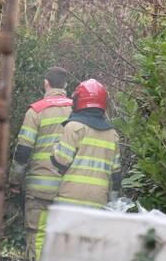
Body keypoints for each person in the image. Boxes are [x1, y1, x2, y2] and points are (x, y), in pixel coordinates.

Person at [9, 66, 72, 261]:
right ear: (66, 85)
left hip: (39, 189)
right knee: (63, 239)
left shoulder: (36, 111)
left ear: (46, 83)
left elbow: (23, 151)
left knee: (37, 235)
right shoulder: (77, 110)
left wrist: (14, 181)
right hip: (67, 189)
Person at [50, 79, 122, 209]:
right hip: (98, 204)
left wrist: (55, 146)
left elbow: (61, 160)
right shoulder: (112, 134)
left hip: (69, 200)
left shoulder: (73, 127)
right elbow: (115, 176)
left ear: (79, 100)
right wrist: (112, 204)